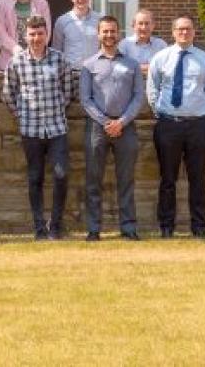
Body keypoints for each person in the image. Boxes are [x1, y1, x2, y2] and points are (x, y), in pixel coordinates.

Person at [146, 15, 205, 239]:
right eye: (180, 29)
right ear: (173, 32)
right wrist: (162, 112)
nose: (184, 33)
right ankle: (166, 227)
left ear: (194, 32)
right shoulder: (161, 57)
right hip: (169, 124)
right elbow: (152, 89)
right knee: (168, 179)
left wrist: (197, 112)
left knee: (198, 178)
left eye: (188, 29)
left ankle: (199, 227)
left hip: (197, 125)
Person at [2, 15, 73, 240]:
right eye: (32, 34)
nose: (36, 38)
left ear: (47, 34)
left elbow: (69, 90)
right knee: (35, 178)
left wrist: (58, 107)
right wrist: (20, 115)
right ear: (25, 36)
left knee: (61, 175)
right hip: (30, 130)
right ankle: (39, 227)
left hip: (56, 129)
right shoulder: (17, 62)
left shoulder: (59, 59)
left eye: (40, 33)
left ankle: (56, 225)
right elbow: (7, 93)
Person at [79, 16, 144, 242]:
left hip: (126, 127)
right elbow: (85, 99)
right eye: (105, 31)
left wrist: (121, 122)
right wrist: (106, 122)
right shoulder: (89, 65)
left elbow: (138, 97)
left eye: (113, 31)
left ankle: (128, 228)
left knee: (125, 180)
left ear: (119, 33)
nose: (109, 35)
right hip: (97, 128)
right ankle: (94, 229)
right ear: (98, 34)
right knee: (93, 179)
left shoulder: (132, 64)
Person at [52, 0, 102, 69]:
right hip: (70, 73)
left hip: (94, 72)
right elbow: (56, 51)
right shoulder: (62, 21)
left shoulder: (100, 20)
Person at [118, 8, 168, 74]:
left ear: (153, 26)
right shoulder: (124, 44)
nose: (143, 27)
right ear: (134, 26)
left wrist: (135, 68)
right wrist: (152, 68)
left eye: (147, 23)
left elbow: (166, 67)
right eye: (140, 23)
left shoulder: (161, 45)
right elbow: (120, 67)